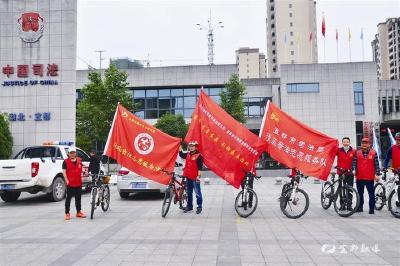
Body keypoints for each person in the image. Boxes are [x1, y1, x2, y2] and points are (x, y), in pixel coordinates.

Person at [352, 138, 380, 214]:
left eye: (366, 143)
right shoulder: (357, 153)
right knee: (360, 194)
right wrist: (353, 169)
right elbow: (354, 163)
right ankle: (360, 207)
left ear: (369, 144)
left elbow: (377, 165)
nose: (364, 144)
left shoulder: (374, 153)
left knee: (371, 194)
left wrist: (377, 174)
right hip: (359, 177)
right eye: (363, 143)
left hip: (369, 177)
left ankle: (371, 209)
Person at [179, 141, 203, 214]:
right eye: (190, 146)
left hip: (195, 178)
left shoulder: (199, 156)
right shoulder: (188, 154)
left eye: (193, 146)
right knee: (189, 192)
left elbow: (200, 168)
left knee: (197, 193)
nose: (191, 147)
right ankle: (189, 206)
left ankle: (199, 207)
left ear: (196, 147)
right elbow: (181, 154)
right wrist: (179, 144)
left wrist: (198, 176)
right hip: (188, 176)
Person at [63, 147, 86, 220]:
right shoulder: (65, 161)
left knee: (78, 198)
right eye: (71, 153)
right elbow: (64, 172)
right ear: (68, 154)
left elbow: (82, 168)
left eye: (73, 152)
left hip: (78, 182)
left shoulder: (79, 160)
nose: (72, 154)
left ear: (75, 153)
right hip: (70, 183)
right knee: (68, 199)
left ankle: (78, 212)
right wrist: (66, 180)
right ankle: (67, 213)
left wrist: (83, 173)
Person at [337, 137, 356, 210]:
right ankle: (342, 204)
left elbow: (355, 161)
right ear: (342, 143)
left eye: (347, 142)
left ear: (349, 143)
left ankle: (349, 205)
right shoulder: (338, 150)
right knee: (341, 189)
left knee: (350, 189)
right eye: (344, 142)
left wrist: (354, 170)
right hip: (341, 173)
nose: (346, 143)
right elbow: (331, 152)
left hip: (350, 173)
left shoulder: (354, 151)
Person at [383, 132, 400, 208]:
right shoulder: (392, 148)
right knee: (397, 187)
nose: (398, 141)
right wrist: (385, 166)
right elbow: (386, 159)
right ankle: (397, 201)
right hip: (396, 171)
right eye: (397, 140)